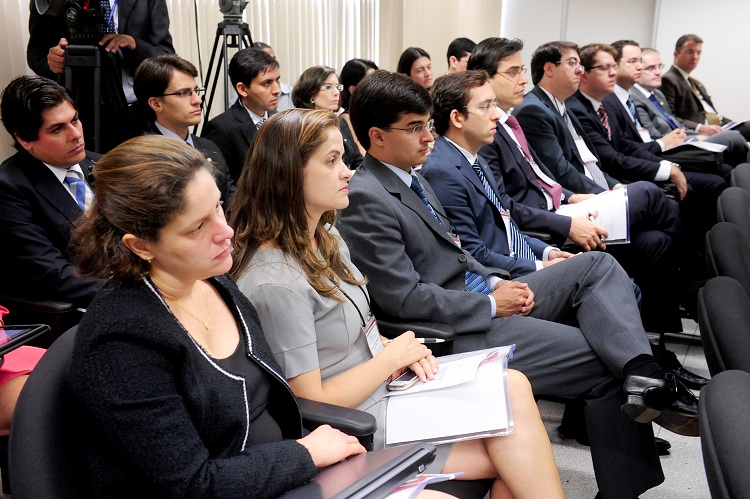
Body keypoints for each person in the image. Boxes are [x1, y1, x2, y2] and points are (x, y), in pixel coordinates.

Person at [337, 69, 698, 498]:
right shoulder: (367, 197)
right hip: (452, 332)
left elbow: (458, 251)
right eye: (414, 128)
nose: (428, 137)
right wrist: (491, 303)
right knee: (604, 360)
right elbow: (403, 299)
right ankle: (637, 435)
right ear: (376, 136)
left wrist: (495, 281)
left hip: (479, 297)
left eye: (427, 125)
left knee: (595, 265)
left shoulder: (410, 175)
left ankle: (645, 373)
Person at [228, 108, 564, 499]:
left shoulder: (326, 236)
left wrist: (392, 350)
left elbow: (355, 328)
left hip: (387, 386)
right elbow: (310, 399)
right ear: (288, 174)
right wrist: (389, 358)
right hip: (358, 419)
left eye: (344, 158)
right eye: (332, 161)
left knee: (514, 386)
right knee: (513, 455)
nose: (348, 172)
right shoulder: (275, 281)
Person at [66, 135, 366, 497]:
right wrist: (303, 454)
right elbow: (192, 485)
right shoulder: (121, 339)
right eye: (197, 227)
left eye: (219, 208)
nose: (227, 232)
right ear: (140, 245)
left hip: (284, 476)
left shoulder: (215, 280)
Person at [484, 39, 686, 338]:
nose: (523, 79)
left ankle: (661, 336)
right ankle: (691, 275)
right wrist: (569, 220)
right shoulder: (508, 121)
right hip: (550, 225)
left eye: (522, 70)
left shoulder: (514, 120)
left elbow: (543, 174)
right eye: (513, 72)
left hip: (567, 205)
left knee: (656, 242)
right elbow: (510, 204)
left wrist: (576, 195)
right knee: (650, 193)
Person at [0, 75, 104, 307]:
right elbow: (51, 274)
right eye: (57, 129)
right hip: (86, 305)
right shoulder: (9, 188)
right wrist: (135, 293)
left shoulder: (106, 165)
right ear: (25, 139)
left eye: (75, 120)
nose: (75, 134)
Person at [27, 0, 175, 152]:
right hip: (81, 115)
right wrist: (51, 61)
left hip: (139, 112)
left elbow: (166, 56)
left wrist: (134, 45)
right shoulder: (53, 2)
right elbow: (35, 53)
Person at [133, 54, 235, 203]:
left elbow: (232, 201)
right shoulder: (143, 157)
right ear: (155, 103)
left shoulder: (209, 146)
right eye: (183, 93)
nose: (198, 100)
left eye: (196, 91)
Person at [631, 48, 749, 166]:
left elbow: (678, 125)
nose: (658, 72)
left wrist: (698, 136)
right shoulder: (635, 98)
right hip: (671, 149)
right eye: (651, 68)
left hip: (686, 141)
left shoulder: (657, 94)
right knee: (732, 137)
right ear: (637, 70)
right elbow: (655, 136)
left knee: (729, 167)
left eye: (659, 66)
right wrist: (693, 139)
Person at [201, 48, 281, 181]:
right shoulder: (222, 128)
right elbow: (223, 183)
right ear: (243, 89)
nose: (277, 90)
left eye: (277, 80)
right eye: (267, 83)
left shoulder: (279, 119)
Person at [661, 34, 750, 140]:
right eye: (690, 52)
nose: (695, 57)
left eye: (698, 53)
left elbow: (713, 113)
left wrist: (733, 123)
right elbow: (668, 117)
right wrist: (700, 128)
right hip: (699, 133)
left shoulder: (696, 83)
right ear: (676, 54)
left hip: (720, 127)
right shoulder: (668, 80)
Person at [292, 66, 363, 169]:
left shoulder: (340, 122)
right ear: (311, 93)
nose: (336, 93)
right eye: (328, 87)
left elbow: (358, 161)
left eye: (338, 87)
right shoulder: (302, 127)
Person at [340, 58, 378, 156]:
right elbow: (361, 153)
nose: (378, 86)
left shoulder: (380, 111)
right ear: (353, 89)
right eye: (371, 82)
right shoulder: (347, 117)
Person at [252, 42, 294, 111]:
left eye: (273, 59)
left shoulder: (290, 93)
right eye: (266, 82)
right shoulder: (238, 102)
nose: (273, 63)